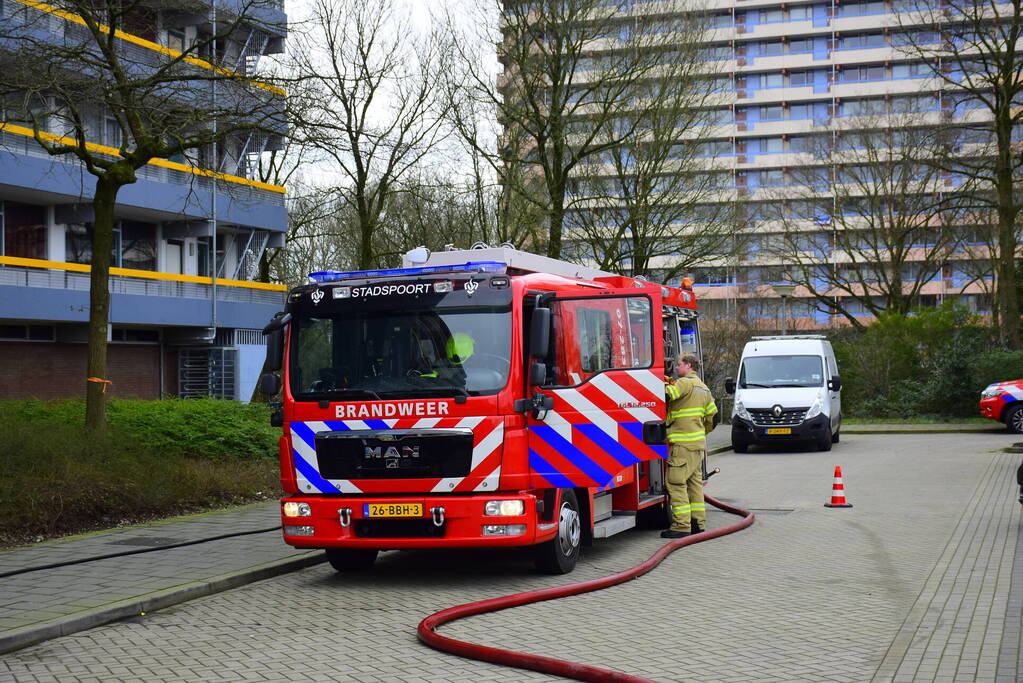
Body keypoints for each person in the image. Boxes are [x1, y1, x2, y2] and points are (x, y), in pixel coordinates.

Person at [661, 352, 718, 539]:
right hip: (697, 446)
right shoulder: (704, 388)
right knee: (694, 486)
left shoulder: (684, 383)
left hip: (682, 445)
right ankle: (697, 523)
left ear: (688, 366)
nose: (676, 368)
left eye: (679, 364)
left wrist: (658, 383)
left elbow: (666, 395)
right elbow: (713, 418)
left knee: (675, 484)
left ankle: (681, 526)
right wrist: (701, 433)